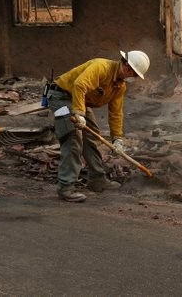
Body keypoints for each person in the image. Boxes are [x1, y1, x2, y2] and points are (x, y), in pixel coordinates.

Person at [47, 50, 150, 202]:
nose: (133, 78)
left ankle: (97, 179)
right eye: (134, 74)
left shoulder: (119, 86)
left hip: (80, 101)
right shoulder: (101, 66)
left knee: (92, 135)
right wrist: (79, 114)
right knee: (73, 137)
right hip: (62, 96)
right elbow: (79, 85)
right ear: (128, 67)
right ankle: (66, 187)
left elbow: (115, 113)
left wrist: (117, 139)